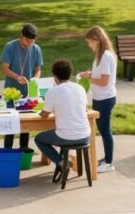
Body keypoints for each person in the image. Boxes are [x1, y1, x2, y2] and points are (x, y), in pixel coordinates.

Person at [35, 59, 92, 179]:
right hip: (86, 134)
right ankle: (64, 163)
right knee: (55, 133)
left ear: (55, 77)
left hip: (67, 136)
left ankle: (61, 163)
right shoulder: (80, 88)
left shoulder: (53, 91)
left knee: (39, 139)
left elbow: (44, 115)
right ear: (70, 74)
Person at [77, 27, 117, 173]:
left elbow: (104, 81)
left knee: (105, 130)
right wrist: (90, 73)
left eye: (90, 42)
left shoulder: (106, 56)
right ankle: (107, 158)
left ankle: (109, 162)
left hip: (105, 98)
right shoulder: (101, 56)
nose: (89, 45)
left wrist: (89, 77)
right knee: (102, 128)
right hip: (100, 97)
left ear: (97, 40)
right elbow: (100, 74)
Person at [1, 23, 43, 150]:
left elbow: (38, 69)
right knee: (10, 125)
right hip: (11, 92)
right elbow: (4, 69)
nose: (29, 43)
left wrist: (35, 79)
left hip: (27, 93)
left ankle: (23, 151)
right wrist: (17, 77)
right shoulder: (10, 47)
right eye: (27, 40)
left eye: (32, 40)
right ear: (21, 36)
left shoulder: (36, 49)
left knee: (26, 125)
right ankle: (7, 151)